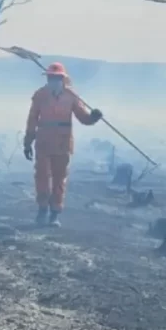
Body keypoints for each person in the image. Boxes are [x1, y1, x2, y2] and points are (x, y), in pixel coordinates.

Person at [23, 62, 102, 227]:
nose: (53, 81)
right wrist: (28, 142)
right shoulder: (40, 95)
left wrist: (94, 117)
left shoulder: (71, 96)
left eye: (57, 78)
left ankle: (54, 214)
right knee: (42, 176)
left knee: (59, 179)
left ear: (63, 79)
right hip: (43, 142)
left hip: (63, 143)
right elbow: (32, 120)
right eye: (51, 78)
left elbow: (83, 118)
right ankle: (42, 210)